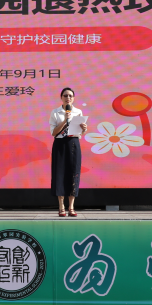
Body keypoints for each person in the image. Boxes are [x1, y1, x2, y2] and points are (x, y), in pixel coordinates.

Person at [49, 87, 87, 217]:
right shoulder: (55, 112)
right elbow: (54, 132)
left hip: (74, 143)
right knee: (59, 173)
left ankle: (71, 207)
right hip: (60, 144)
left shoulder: (78, 111)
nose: (68, 98)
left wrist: (84, 129)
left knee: (73, 173)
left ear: (73, 98)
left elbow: (80, 131)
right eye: (65, 95)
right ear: (61, 97)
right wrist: (65, 120)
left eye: (70, 96)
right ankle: (61, 207)